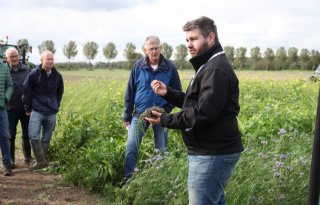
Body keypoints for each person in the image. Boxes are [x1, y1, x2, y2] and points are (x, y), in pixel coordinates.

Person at [145, 16, 244, 205]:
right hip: (211, 150)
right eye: (187, 40)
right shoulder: (208, 66)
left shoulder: (215, 70)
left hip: (212, 153)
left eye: (194, 39)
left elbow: (203, 113)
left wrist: (166, 119)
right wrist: (169, 94)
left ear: (211, 38)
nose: (189, 44)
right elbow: (197, 104)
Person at [123, 35, 182, 179]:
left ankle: (159, 180)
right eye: (151, 49)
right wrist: (127, 115)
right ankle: (128, 179)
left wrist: (166, 110)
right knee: (131, 147)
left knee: (161, 149)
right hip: (140, 113)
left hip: (161, 115)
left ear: (161, 49)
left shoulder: (170, 67)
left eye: (156, 48)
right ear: (145, 50)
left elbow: (178, 92)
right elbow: (130, 91)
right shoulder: (138, 66)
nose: (154, 51)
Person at [22, 50, 64, 170]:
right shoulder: (34, 74)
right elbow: (26, 92)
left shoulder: (57, 75)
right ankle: (41, 161)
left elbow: (60, 92)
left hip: (51, 112)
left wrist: (56, 104)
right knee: (34, 136)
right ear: (41, 60)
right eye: (47, 59)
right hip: (37, 110)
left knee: (46, 137)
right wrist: (28, 108)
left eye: (52, 59)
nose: (50, 61)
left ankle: (40, 162)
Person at [5, 47, 32, 168]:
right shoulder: (3, 71)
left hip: (25, 107)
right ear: (7, 59)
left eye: (16, 56)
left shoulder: (27, 69)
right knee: (11, 134)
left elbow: (33, 86)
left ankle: (28, 157)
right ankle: (11, 160)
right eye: (12, 57)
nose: (15, 58)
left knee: (27, 133)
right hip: (10, 108)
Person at [0, 61, 13, 176]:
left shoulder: (4, 67)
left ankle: (7, 165)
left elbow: (10, 85)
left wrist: (5, 97)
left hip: (1, 109)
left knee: (5, 136)